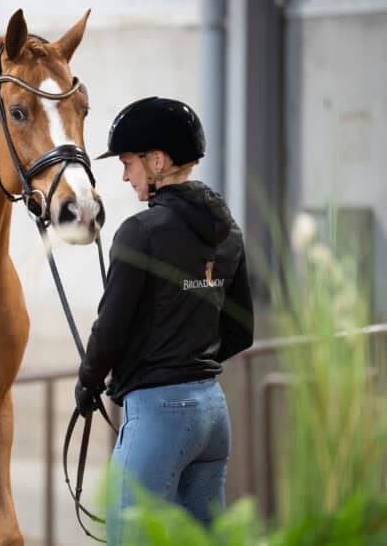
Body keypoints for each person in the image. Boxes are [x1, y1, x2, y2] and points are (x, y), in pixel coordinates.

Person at [74, 97, 254, 543]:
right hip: (212, 412)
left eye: (129, 162)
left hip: (159, 415)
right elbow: (241, 330)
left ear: (158, 161)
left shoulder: (141, 232)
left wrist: (89, 381)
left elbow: (110, 327)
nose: (123, 174)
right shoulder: (229, 231)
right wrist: (188, 358)